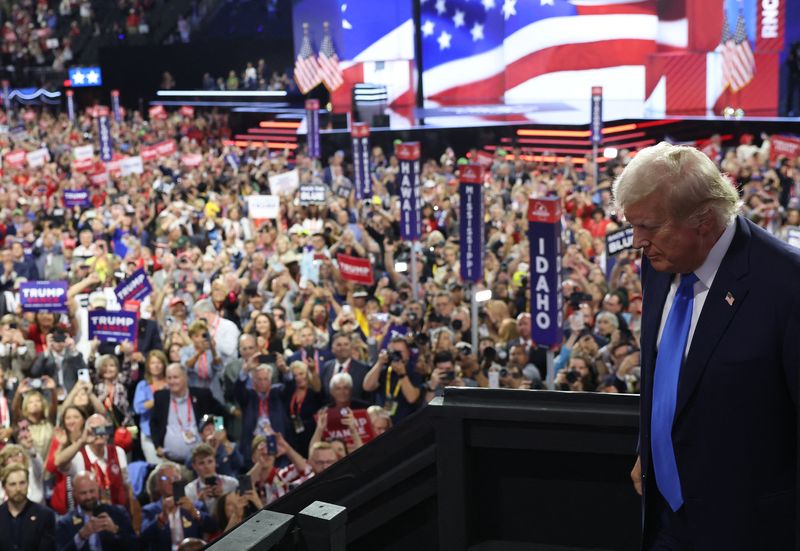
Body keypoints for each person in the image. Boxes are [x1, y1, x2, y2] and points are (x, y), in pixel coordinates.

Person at [616, 142, 800, 550]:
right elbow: (663, 372)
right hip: (663, 518)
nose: (636, 241)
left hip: (749, 530)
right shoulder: (659, 262)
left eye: (648, 226)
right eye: (632, 225)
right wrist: (650, 449)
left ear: (702, 220)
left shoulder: (786, 285)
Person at [150, 364, 226, 464]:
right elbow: (154, 423)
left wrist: (218, 430)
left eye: (176, 377)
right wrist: (157, 446)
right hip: (171, 461)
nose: (172, 381)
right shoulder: (161, 397)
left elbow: (219, 413)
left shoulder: (202, 395)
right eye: (169, 378)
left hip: (201, 460)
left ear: (185, 378)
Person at [140, 462, 216, 551]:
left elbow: (213, 528)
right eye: (165, 478)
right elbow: (144, 539)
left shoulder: (196, 506)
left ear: (181, 481)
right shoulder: (150, 510)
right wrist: (162, 518)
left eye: (175, 478)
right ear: (157, 484)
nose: (171, 481)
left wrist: (194, 512)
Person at [55, 471, 136, 551]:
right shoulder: (64, 523)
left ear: (98, 489)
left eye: (92, 491)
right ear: (74, 494)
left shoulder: (118, 512)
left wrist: (115, 530)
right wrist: (80, 536)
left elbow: (135, 546)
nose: (89, 497)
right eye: (83, 493)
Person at [0, 463, 55, 551]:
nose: (18, 489)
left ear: (28, 483)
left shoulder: (45, 515)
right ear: (4, 487)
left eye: (22, 483)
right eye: (13, 484)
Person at [185, 443, 238, 513]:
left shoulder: (232, 484)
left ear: (215, 462)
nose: (207, 467)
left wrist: (222, 497)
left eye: (210, 461)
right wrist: (199, 503)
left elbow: (238, 512)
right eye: (201, 463)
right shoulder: (189, 491)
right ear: (194, 466)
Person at [320, 332, 371, 403]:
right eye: (339, 345)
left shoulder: (363, 369)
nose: (343, 348)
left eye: (346, 344)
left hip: (355, 410)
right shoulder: (326, 367)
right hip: (331, 410)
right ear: (332, 348)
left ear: (351, 347)